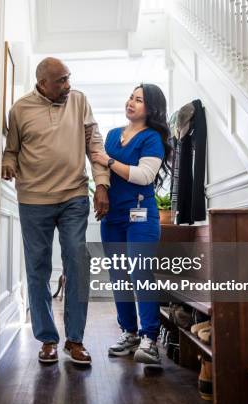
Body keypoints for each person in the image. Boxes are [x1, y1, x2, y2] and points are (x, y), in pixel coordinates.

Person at [2, 57, 110, 365]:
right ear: (42, 84)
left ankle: (74, 340)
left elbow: (95, 144)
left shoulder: (79, 101)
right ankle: (47, 338)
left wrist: (101, 184)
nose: (67, 85)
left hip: (74, 194)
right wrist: (8, 162)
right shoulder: (20, 109)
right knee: (37, 269)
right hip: (33, 199)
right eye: (60, 81)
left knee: (77, 259)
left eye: (68, 78)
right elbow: (11, 149)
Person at [91, 83, 172, 364]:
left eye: (139, 100)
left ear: (151, 108)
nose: (131, 103)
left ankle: (149, 339)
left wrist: (108, 160)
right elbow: (98, 165)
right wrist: (102, 176)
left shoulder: (152, 139)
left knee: (140, 275)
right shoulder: (113, 135)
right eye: (130, 97)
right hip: (112, 218)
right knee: (119, 279)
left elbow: (144, 176)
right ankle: (129, 333)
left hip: (141, 217)